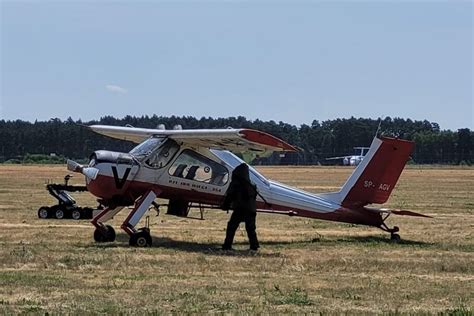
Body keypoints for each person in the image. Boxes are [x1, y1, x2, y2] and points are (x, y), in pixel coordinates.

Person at [221, 163, 259, 251]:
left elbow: (229, 196)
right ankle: (254, 246)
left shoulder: (235, 184)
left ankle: (227, 245)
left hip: (240, 209)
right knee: (251, 229)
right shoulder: (252, 184)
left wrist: (225, 206)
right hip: (251, 210)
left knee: (231, 227)